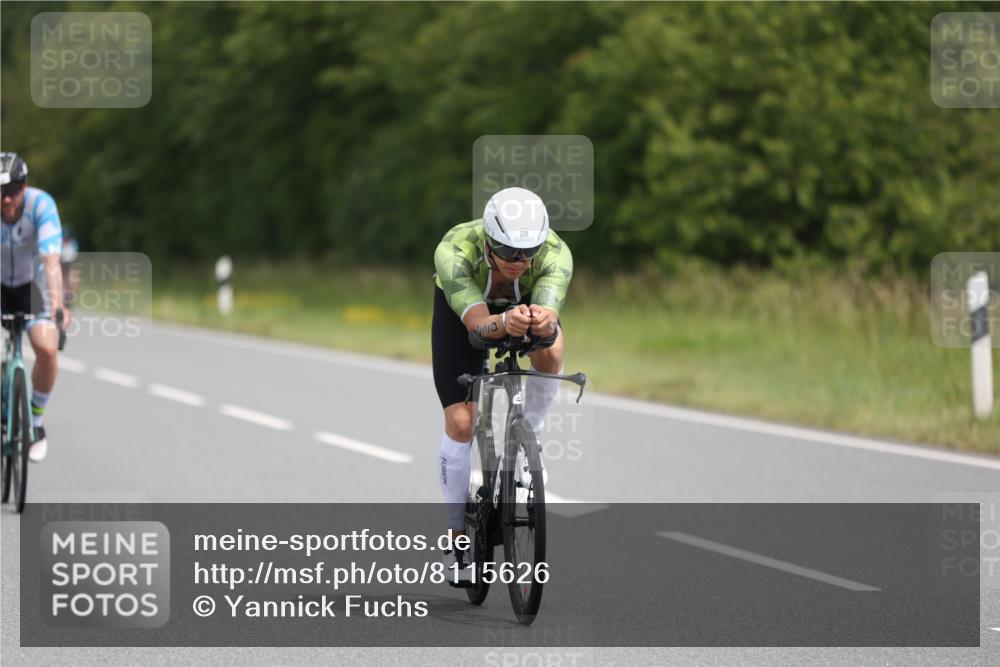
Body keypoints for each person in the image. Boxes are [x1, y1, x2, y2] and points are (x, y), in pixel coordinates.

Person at [432, 186, 573, 583]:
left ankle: (532, 440)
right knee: (461, 422)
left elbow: (547, 312)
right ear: (490, 241)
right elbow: (477, 326)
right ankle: (456, 538)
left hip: (520, 309)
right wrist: (502, 322)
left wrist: (541, 323)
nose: (519, 261)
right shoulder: (455, 249)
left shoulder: (556, 253)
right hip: (465, 310)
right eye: (509, 252)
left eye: (528, 253)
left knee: (553, 350)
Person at [1, 152, 70, 462]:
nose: (6, 200)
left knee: (47, 349)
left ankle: (37, 423)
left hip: (32, 287)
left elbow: (51, 261)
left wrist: (57, 305)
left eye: (12, 192)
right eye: (0, 193)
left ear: (24, 189)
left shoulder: (42, 205)